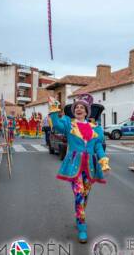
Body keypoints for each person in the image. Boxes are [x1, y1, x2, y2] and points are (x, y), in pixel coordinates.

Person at [48, 94, 110, 243]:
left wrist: (104, 162)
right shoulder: (69, 124)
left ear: (87, 112)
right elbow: (56, 125)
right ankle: (82, 225)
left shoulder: (96, 128)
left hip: (90, 166)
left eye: (82, 107)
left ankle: (79, 214)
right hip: (74, 165)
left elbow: (98, 148)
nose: (79, 109)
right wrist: (54, 109)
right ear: (74, 111)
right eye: (77, 107)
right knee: (79, 193)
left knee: (86, 194)